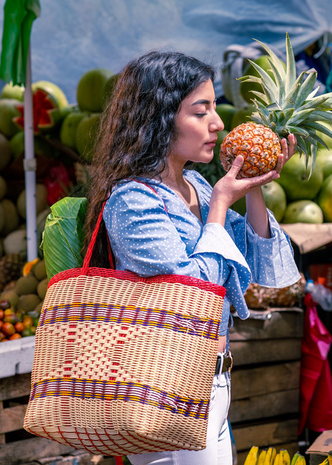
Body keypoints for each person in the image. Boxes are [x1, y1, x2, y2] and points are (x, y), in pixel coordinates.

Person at [83, 50, 301, 465]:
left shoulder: (197, 188)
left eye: (215, 108)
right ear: (160, 118)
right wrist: (220, 203)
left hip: (213, 382)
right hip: (166, 387)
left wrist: (253, 185)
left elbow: (261, 265)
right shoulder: (132, 201)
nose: (218, 123)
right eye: (201, 112)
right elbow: (190, 294)